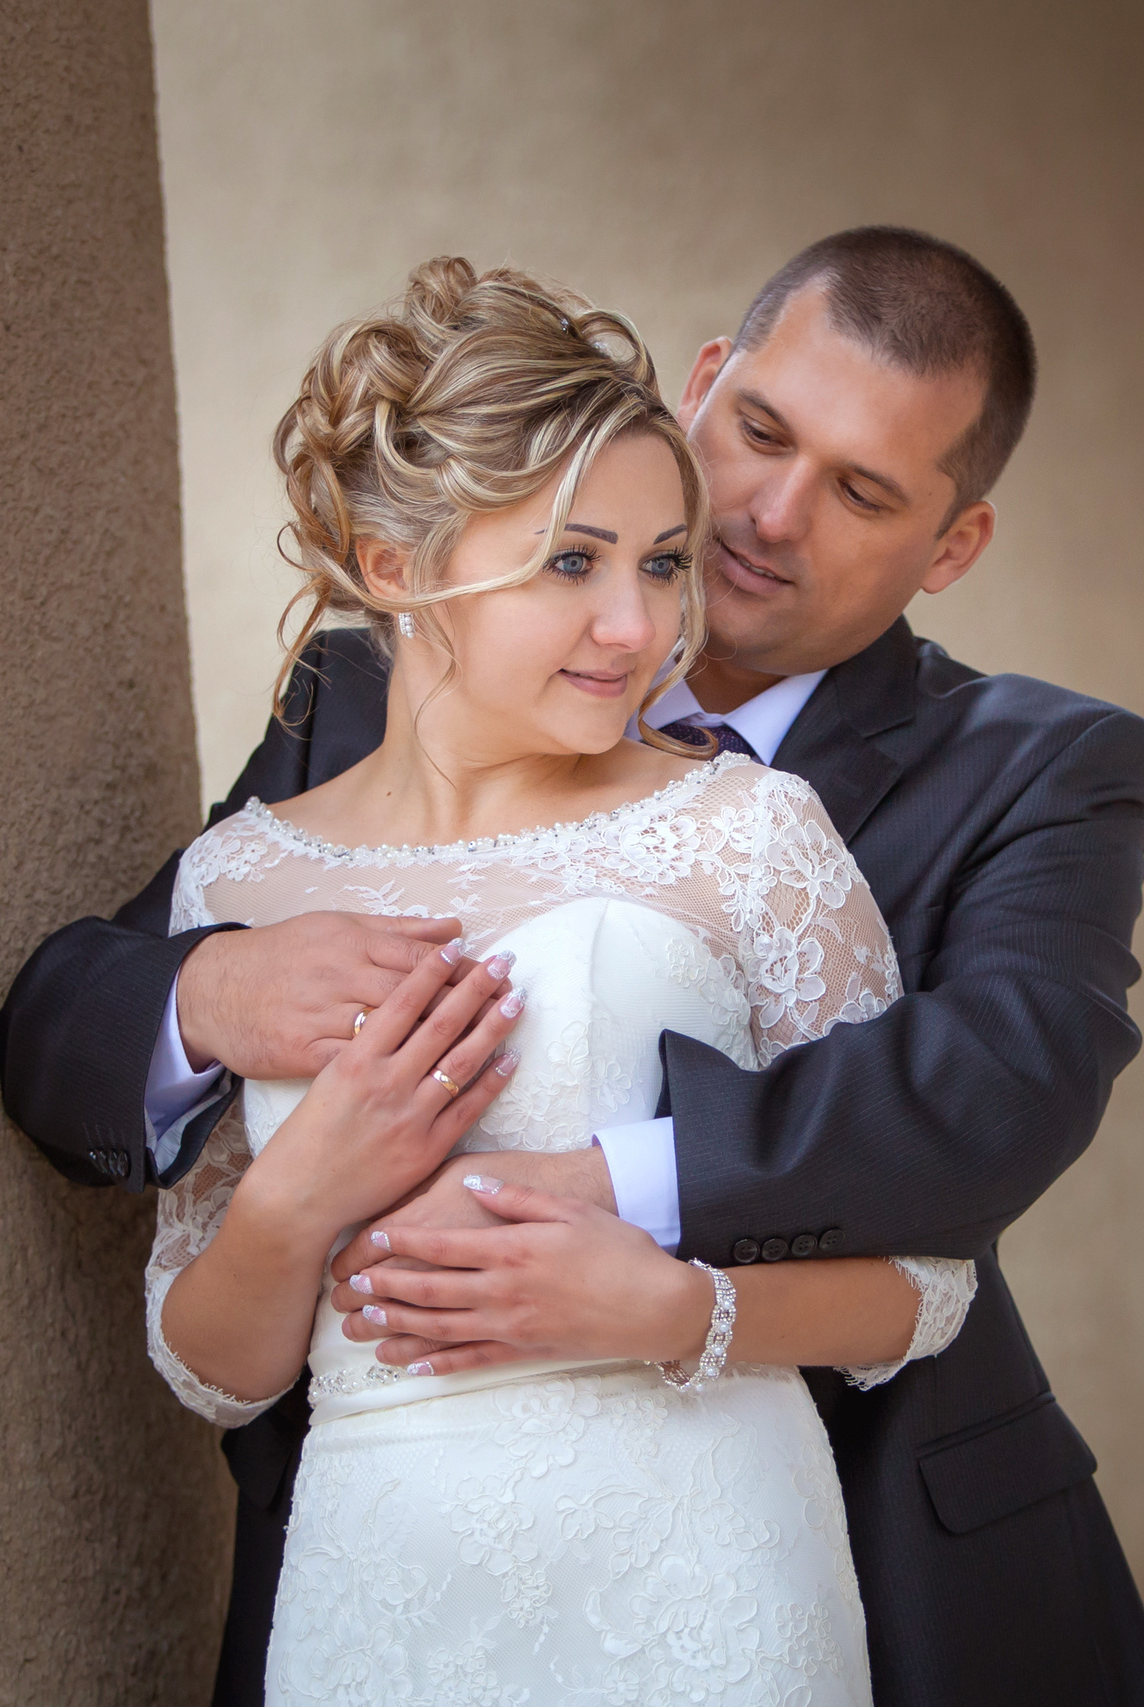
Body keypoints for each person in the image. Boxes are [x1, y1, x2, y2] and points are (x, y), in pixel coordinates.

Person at [0, 227, 1144, 1707]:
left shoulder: (1030, 769)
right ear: (707, 384)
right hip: (395, 1570)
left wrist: (594, 1197)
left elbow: (999, 1089)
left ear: (952, 546)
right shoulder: (368, 688)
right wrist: (217, 994)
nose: (767, 511)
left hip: (827, 1541)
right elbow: (64, 1022)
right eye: (757, 432)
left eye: (863, 491)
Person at [145, 257, 979, 1702]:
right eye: (571, 562)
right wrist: (295, 1199)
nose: (638, 626)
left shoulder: (745, 836)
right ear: (396, 567)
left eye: (662, 563)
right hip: (381, 1595)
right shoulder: (241, 887)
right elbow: (214, 1370)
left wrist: (676, 1313)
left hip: (707, 1574)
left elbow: (928, 1275)